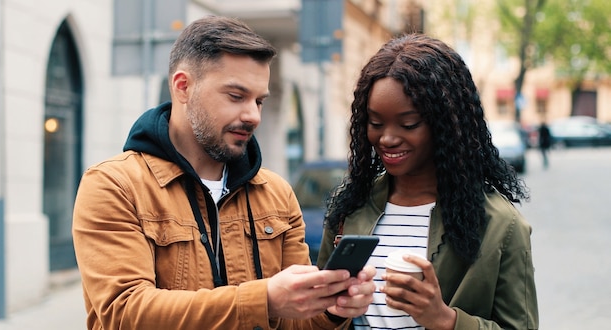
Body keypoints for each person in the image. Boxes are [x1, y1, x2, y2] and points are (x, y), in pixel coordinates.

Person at [72, 15, 376, 329]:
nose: (253, 115)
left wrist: (333, 310)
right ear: (183, 87)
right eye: (236, 96)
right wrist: (264, 299)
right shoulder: (114, 185)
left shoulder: (277, 194)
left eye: (259, 100)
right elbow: (124, 313)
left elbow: (296, 323)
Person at [317, 34, 539, 330]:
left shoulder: (501, 225)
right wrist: (333, 311)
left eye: (408, 124)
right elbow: (317, 318)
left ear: (446, 124)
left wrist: (445, 319)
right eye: (375, 123)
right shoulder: (351, 205)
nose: (387, 138)